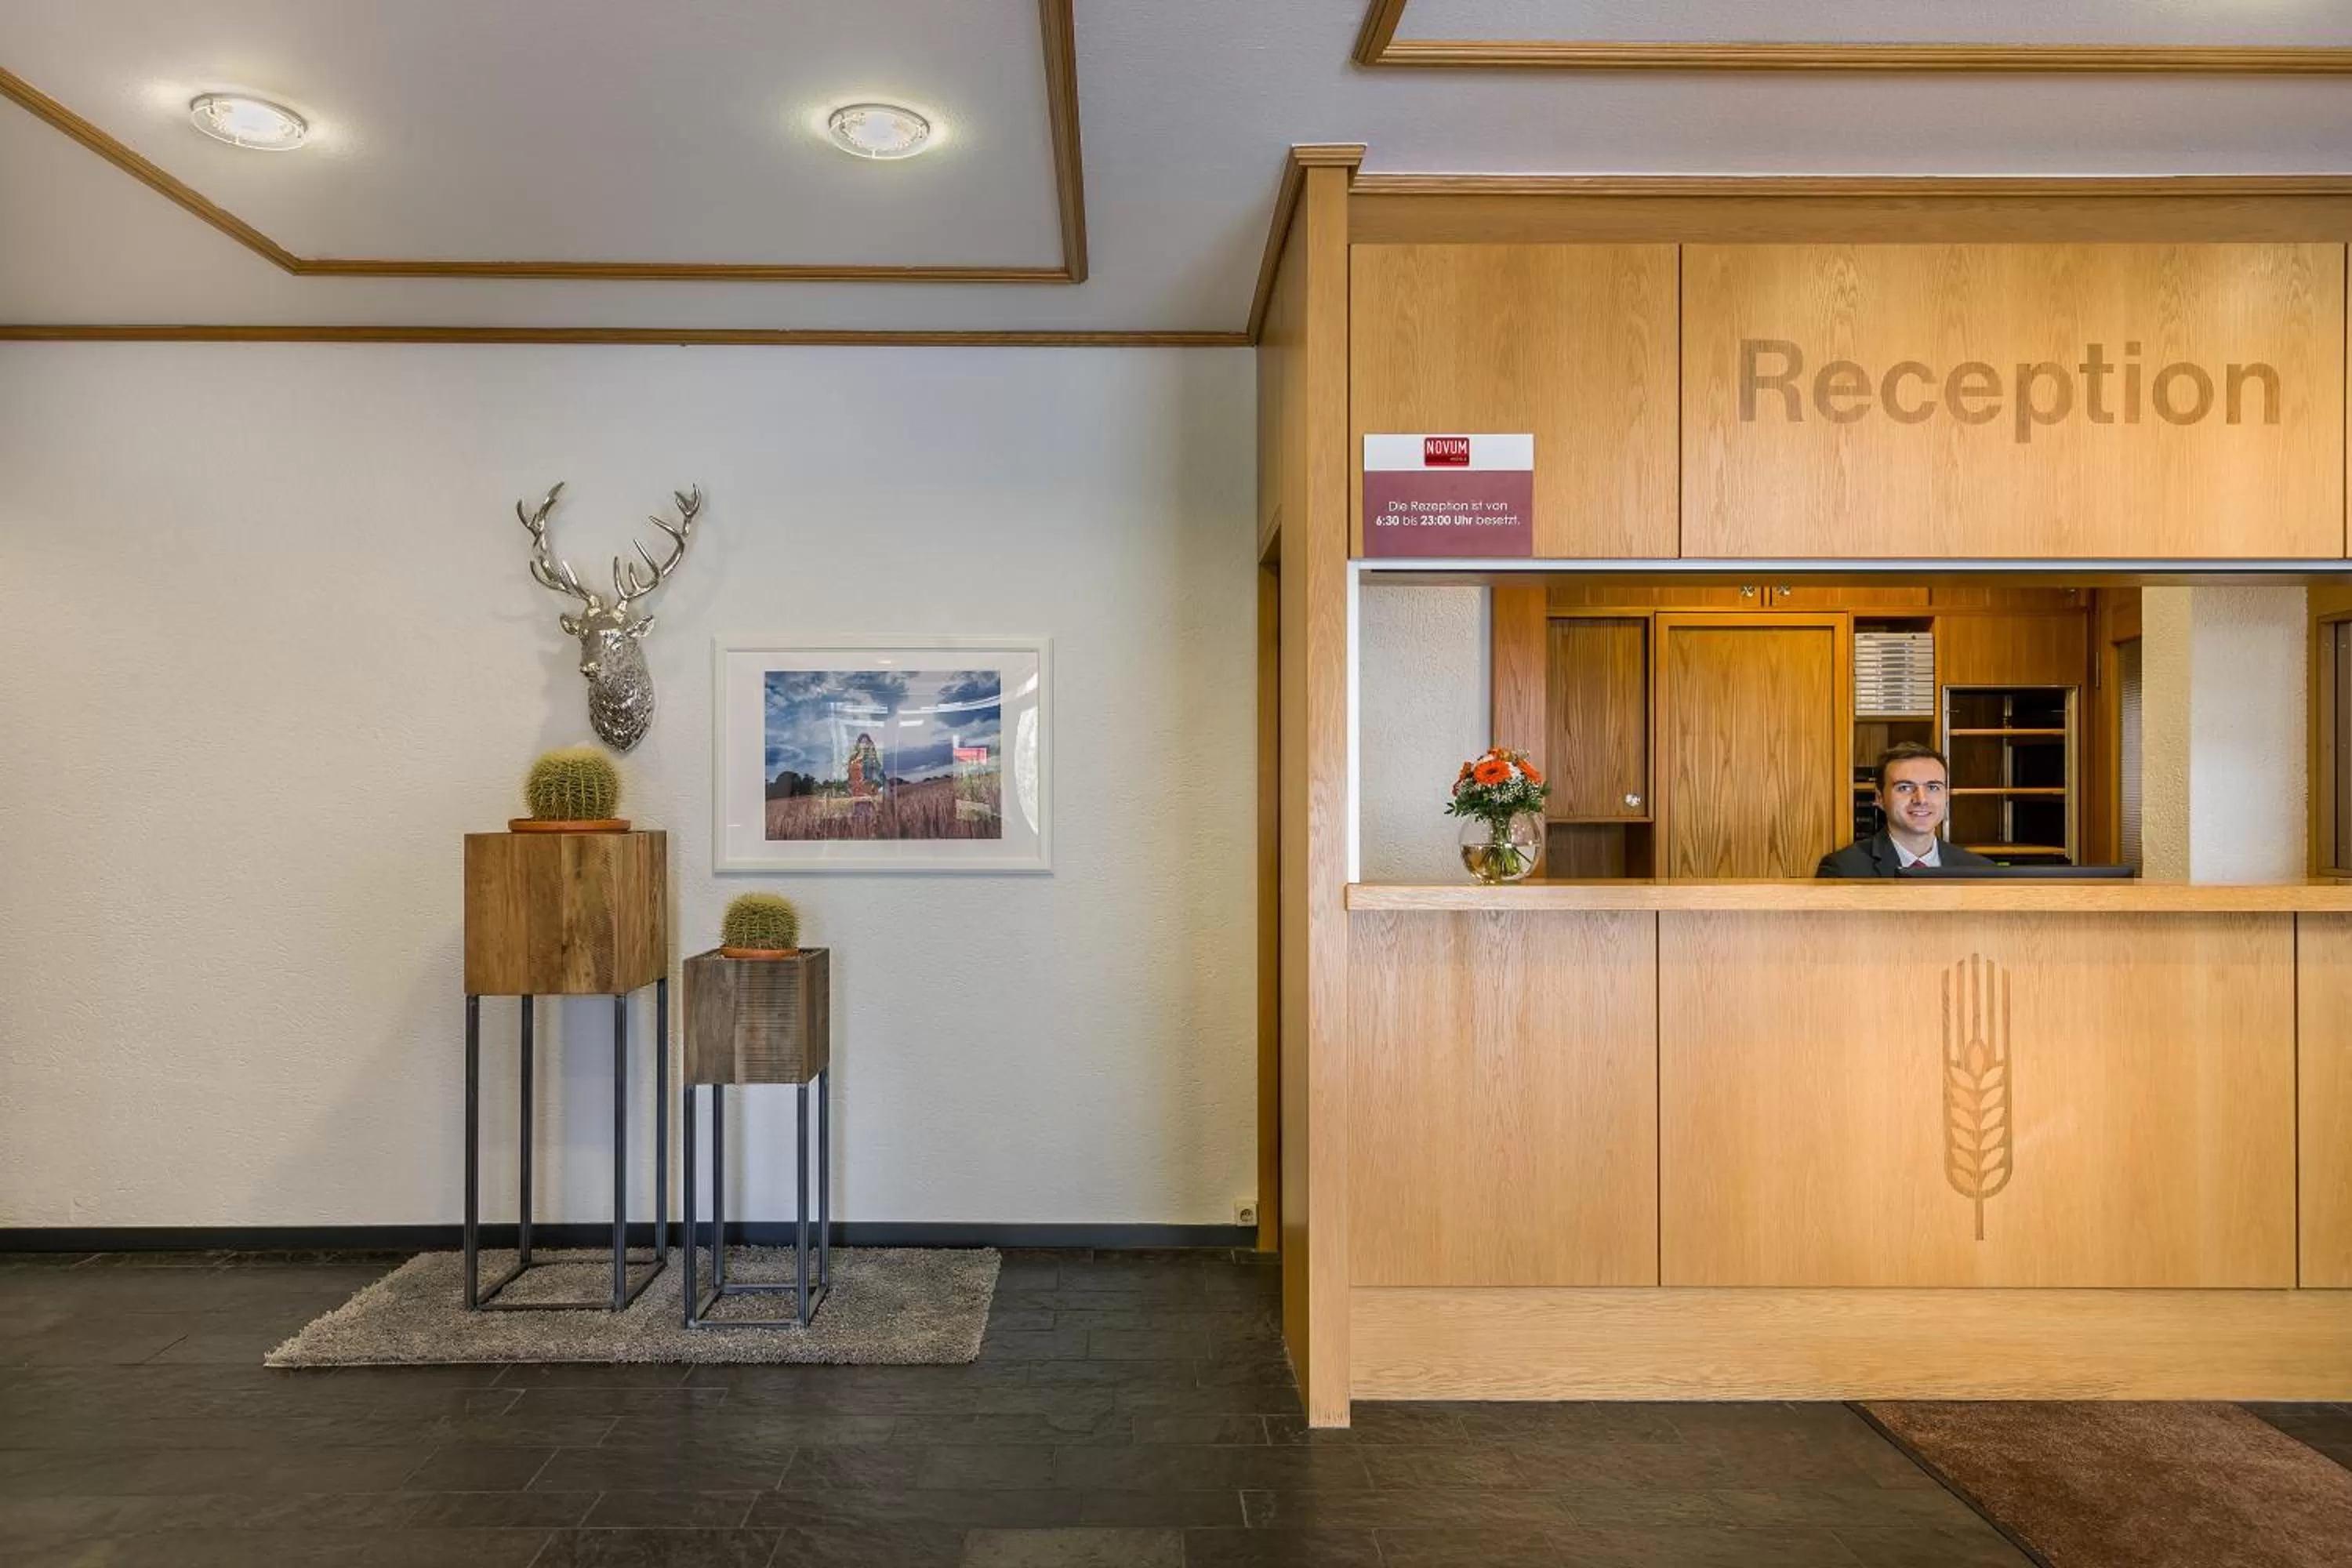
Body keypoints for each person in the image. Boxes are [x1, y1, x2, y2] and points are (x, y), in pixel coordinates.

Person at [1816, 742, 1994, 877]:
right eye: (1904, 788)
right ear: (1880, 798)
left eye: (1933, 787)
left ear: (1946, 796)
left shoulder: (1981, 871)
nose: (1921, 799)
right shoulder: (1844, 869)